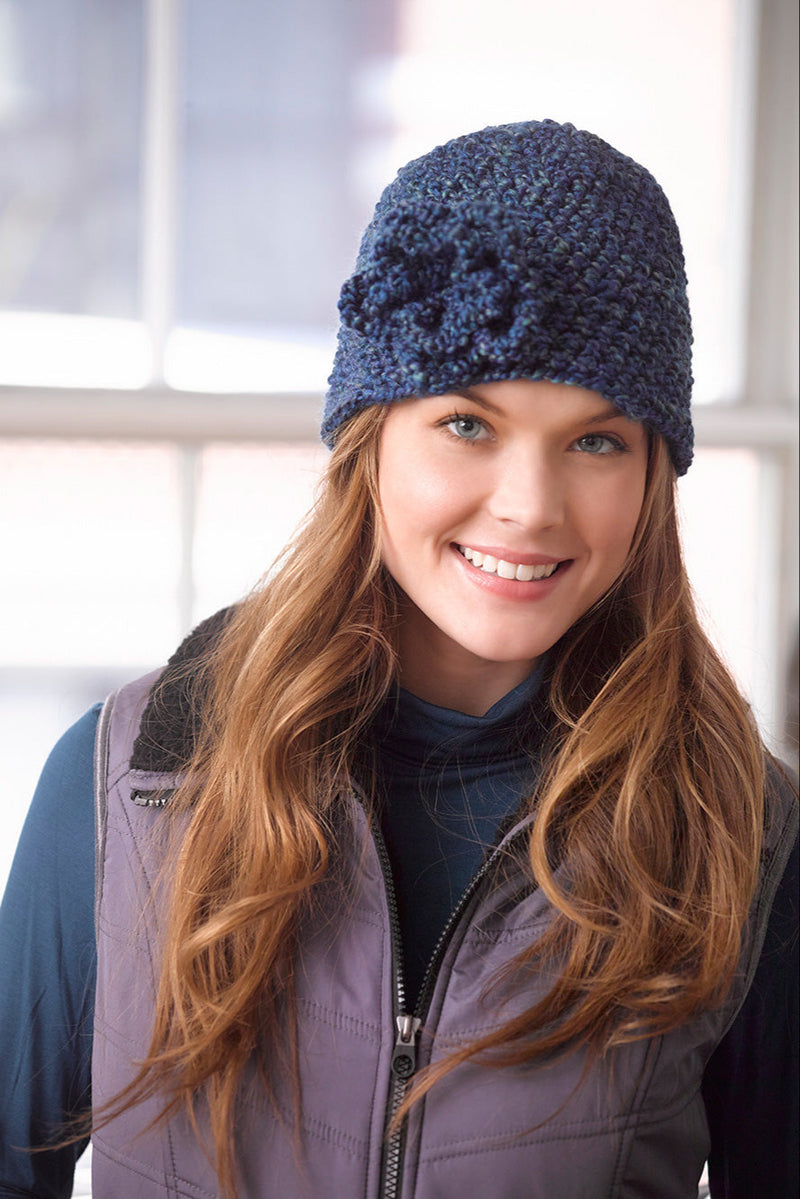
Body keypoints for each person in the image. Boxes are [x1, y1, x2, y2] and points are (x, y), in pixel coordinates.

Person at [0, 119, 797, 1199]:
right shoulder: (124, 789)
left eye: (596, 440)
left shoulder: (741, 834)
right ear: (369, 439)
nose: (529, 505)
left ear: (653, 475)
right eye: (468, 423)